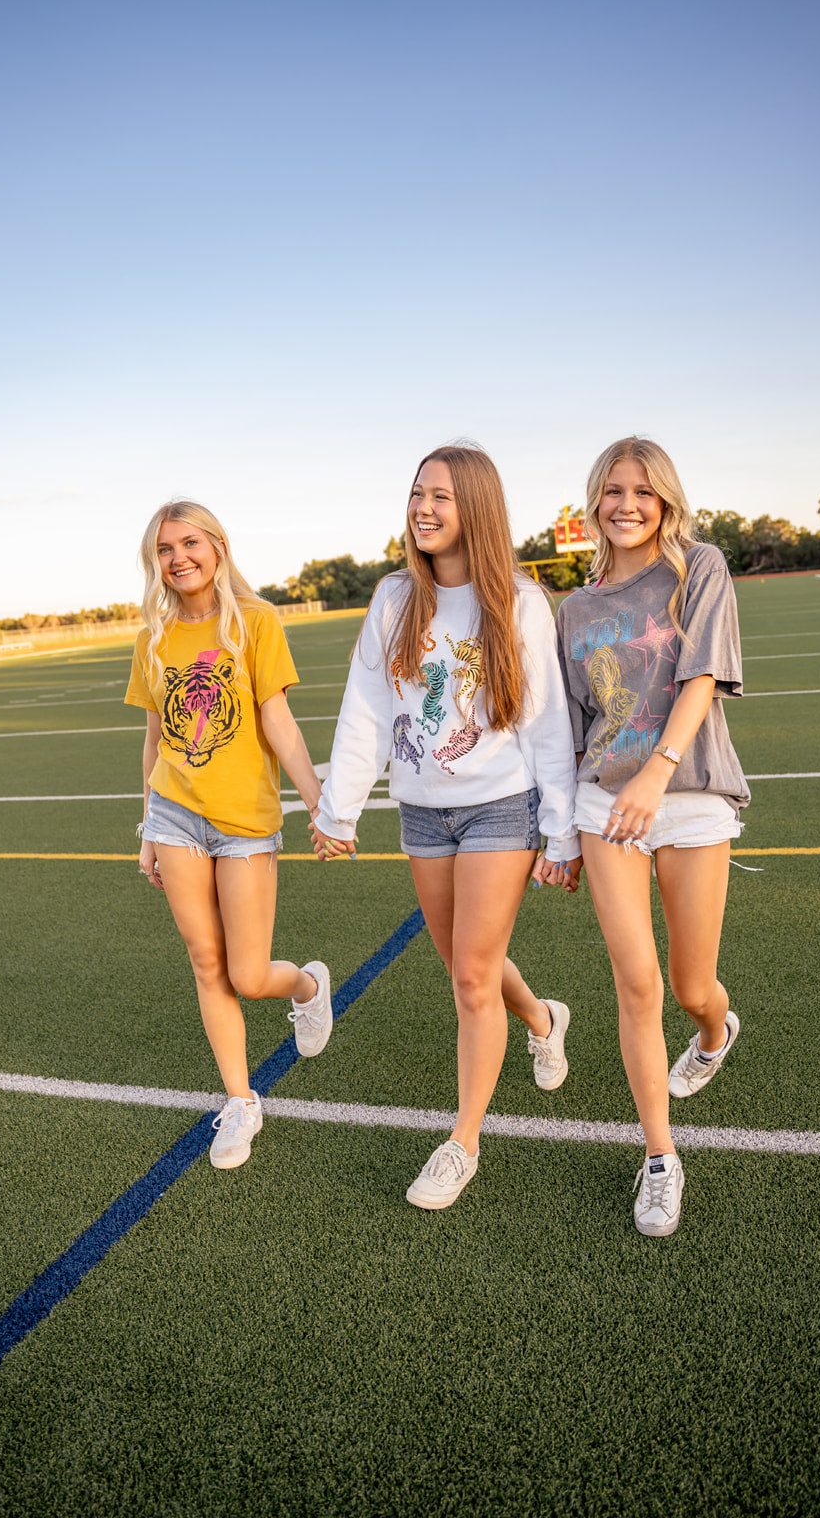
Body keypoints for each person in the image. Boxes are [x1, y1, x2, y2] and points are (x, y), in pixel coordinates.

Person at [311, 444, 581, 1210]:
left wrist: (558, 833)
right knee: (470, 963)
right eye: (415, 494)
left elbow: (547, 723)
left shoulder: (520, 603)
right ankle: (541, 1015)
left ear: (476, 509)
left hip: (502, 804)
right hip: (422, 810)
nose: (423, 508)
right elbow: (366, 708)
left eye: (441, 496)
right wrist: (340, 809)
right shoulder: (395, 598)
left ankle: (461, 1142)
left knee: (468, 973)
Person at [538, 436, 749, 1237]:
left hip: (688, 794)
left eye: (641, 491)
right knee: (637, 985)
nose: (626, 504)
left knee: (693, 989)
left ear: (663, 498)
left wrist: (658, 771)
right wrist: (558, 834)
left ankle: (713, 1031)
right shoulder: (574, 609)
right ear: (594, 503)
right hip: (602, 807)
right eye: (611, 491)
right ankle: (660, 1157)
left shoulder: (699, 567)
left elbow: (700, 676)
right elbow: (567, 728)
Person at [125, 500, 331, 1170]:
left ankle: (304, 987)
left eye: (189, 543)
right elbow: (156, 734)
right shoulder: (153, 636)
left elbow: (277, 719)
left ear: (217, 546)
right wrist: (147, 825)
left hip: (244, 821)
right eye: (164, 549)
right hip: (175, 815)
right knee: (205, 962)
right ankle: (240, 1101)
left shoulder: (256, 621)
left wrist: (315, 798)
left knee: (246, 972)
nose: (178, 558)